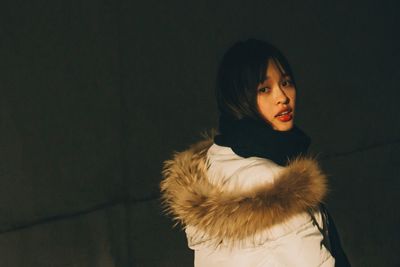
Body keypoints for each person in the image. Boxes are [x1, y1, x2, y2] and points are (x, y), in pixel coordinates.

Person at [160, 39, 350, 267]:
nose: (282, 97)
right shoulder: (276, 188)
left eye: (286, 82)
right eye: (264, 89)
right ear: (239, 99)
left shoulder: (215, 165)